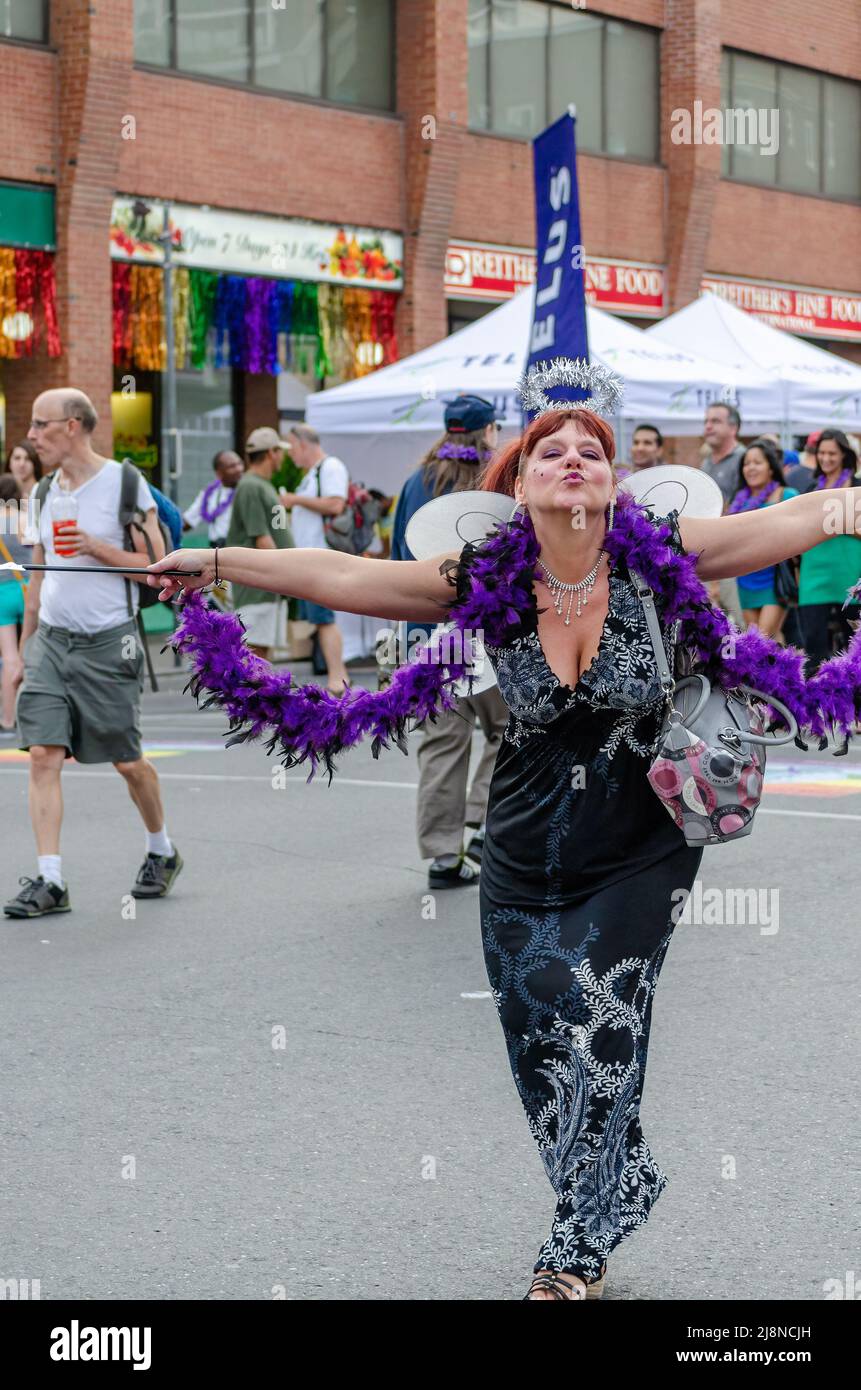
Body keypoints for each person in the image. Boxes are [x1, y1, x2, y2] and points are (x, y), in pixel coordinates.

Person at [148, 396, 859, 1300]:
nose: (572, 460)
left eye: (590, 453)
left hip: (645, 833)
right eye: (549, 452)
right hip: (523, 837)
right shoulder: (481, 573)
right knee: (534, 1036)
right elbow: (343, 575)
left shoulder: (671, 554)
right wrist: (217, 558)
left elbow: (802, 514)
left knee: (598, 1006)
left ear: (613, 485)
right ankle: (604, 1185)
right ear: (517, 486)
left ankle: (572, 1249)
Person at [3, 388, 182, 919]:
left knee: (127, 761)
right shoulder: (41, 494)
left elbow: (159, 568)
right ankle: (51, 880)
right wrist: (22, 650)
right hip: (53, 640)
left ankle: (161, 850)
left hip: (110, 639)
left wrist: (97, 547)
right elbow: (37, 575)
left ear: (75, 425)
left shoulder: (126, 485)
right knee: (42, 754)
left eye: (41, 425)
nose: (32, 436)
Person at [390, 394, 509, 888]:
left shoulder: (415, 483)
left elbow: (398, 557)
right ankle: (482, 822)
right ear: (487, 432)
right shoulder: (499, 480)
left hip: (427, 632)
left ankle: (443, 856)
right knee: (511, 727)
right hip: (490, 629)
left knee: (442, 742)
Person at [279, 424, 351, 696]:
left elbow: (335, 504)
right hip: (311, 558)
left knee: (324, 618)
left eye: (292, 447)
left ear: (303, 444)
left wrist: (294, 500)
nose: (291, 455)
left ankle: (337, 675)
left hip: (321, 557)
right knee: (321, 618)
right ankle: (337, 675)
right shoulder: (314, 473)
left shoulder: (330, 467)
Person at [226, 428, 294, 662]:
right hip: (257, 588)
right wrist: (289, 576)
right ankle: (255, 699)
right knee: (255, 655)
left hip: (267, 587)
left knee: (262, 656)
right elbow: (261, 538)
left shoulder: (260, 484)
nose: (282, 457)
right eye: (280, 451)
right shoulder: (251, 486)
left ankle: (261, 697)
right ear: (271, 453)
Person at [797, 429, 861, 674]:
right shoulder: (812, 489)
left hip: (851, 574)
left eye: (832, 453)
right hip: (814, 573)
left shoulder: (857, 488)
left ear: (844, 455)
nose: (825, 458)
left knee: (853, 647)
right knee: (813, 646)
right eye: (821, 453)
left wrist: (840, 524)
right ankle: (815, 706)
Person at [728, 438, 799, 637]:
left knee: (763, 638)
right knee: (759, 642)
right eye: (746, 463)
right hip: (746, 578)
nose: (751, 468)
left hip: (774, 578)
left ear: (771, 468)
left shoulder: (786, 495)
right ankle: (783, 668)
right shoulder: (739, 502)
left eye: (757, 462)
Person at [700, 403, 745, 627]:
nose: (708, 427)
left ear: (733, 428)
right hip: (710, 552)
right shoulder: (706, 462)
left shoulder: (743, 459)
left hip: (738, 554)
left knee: (741, 626)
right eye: (706, 421)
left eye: (715, 421)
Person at [0, 473, 29, 735]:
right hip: (27, 588)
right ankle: (31, 717)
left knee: (9, 658)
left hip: (2, 592)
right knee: (31, 653)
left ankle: (7, 720)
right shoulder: (23, 517)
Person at [182, 449, 244, 546]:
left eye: (240, 464)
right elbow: (187, 522)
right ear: (219, 473)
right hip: (217, 550)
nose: (239, 469)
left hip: (240, 550)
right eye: (232, 466)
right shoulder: (209, 493)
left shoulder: (248, 491)